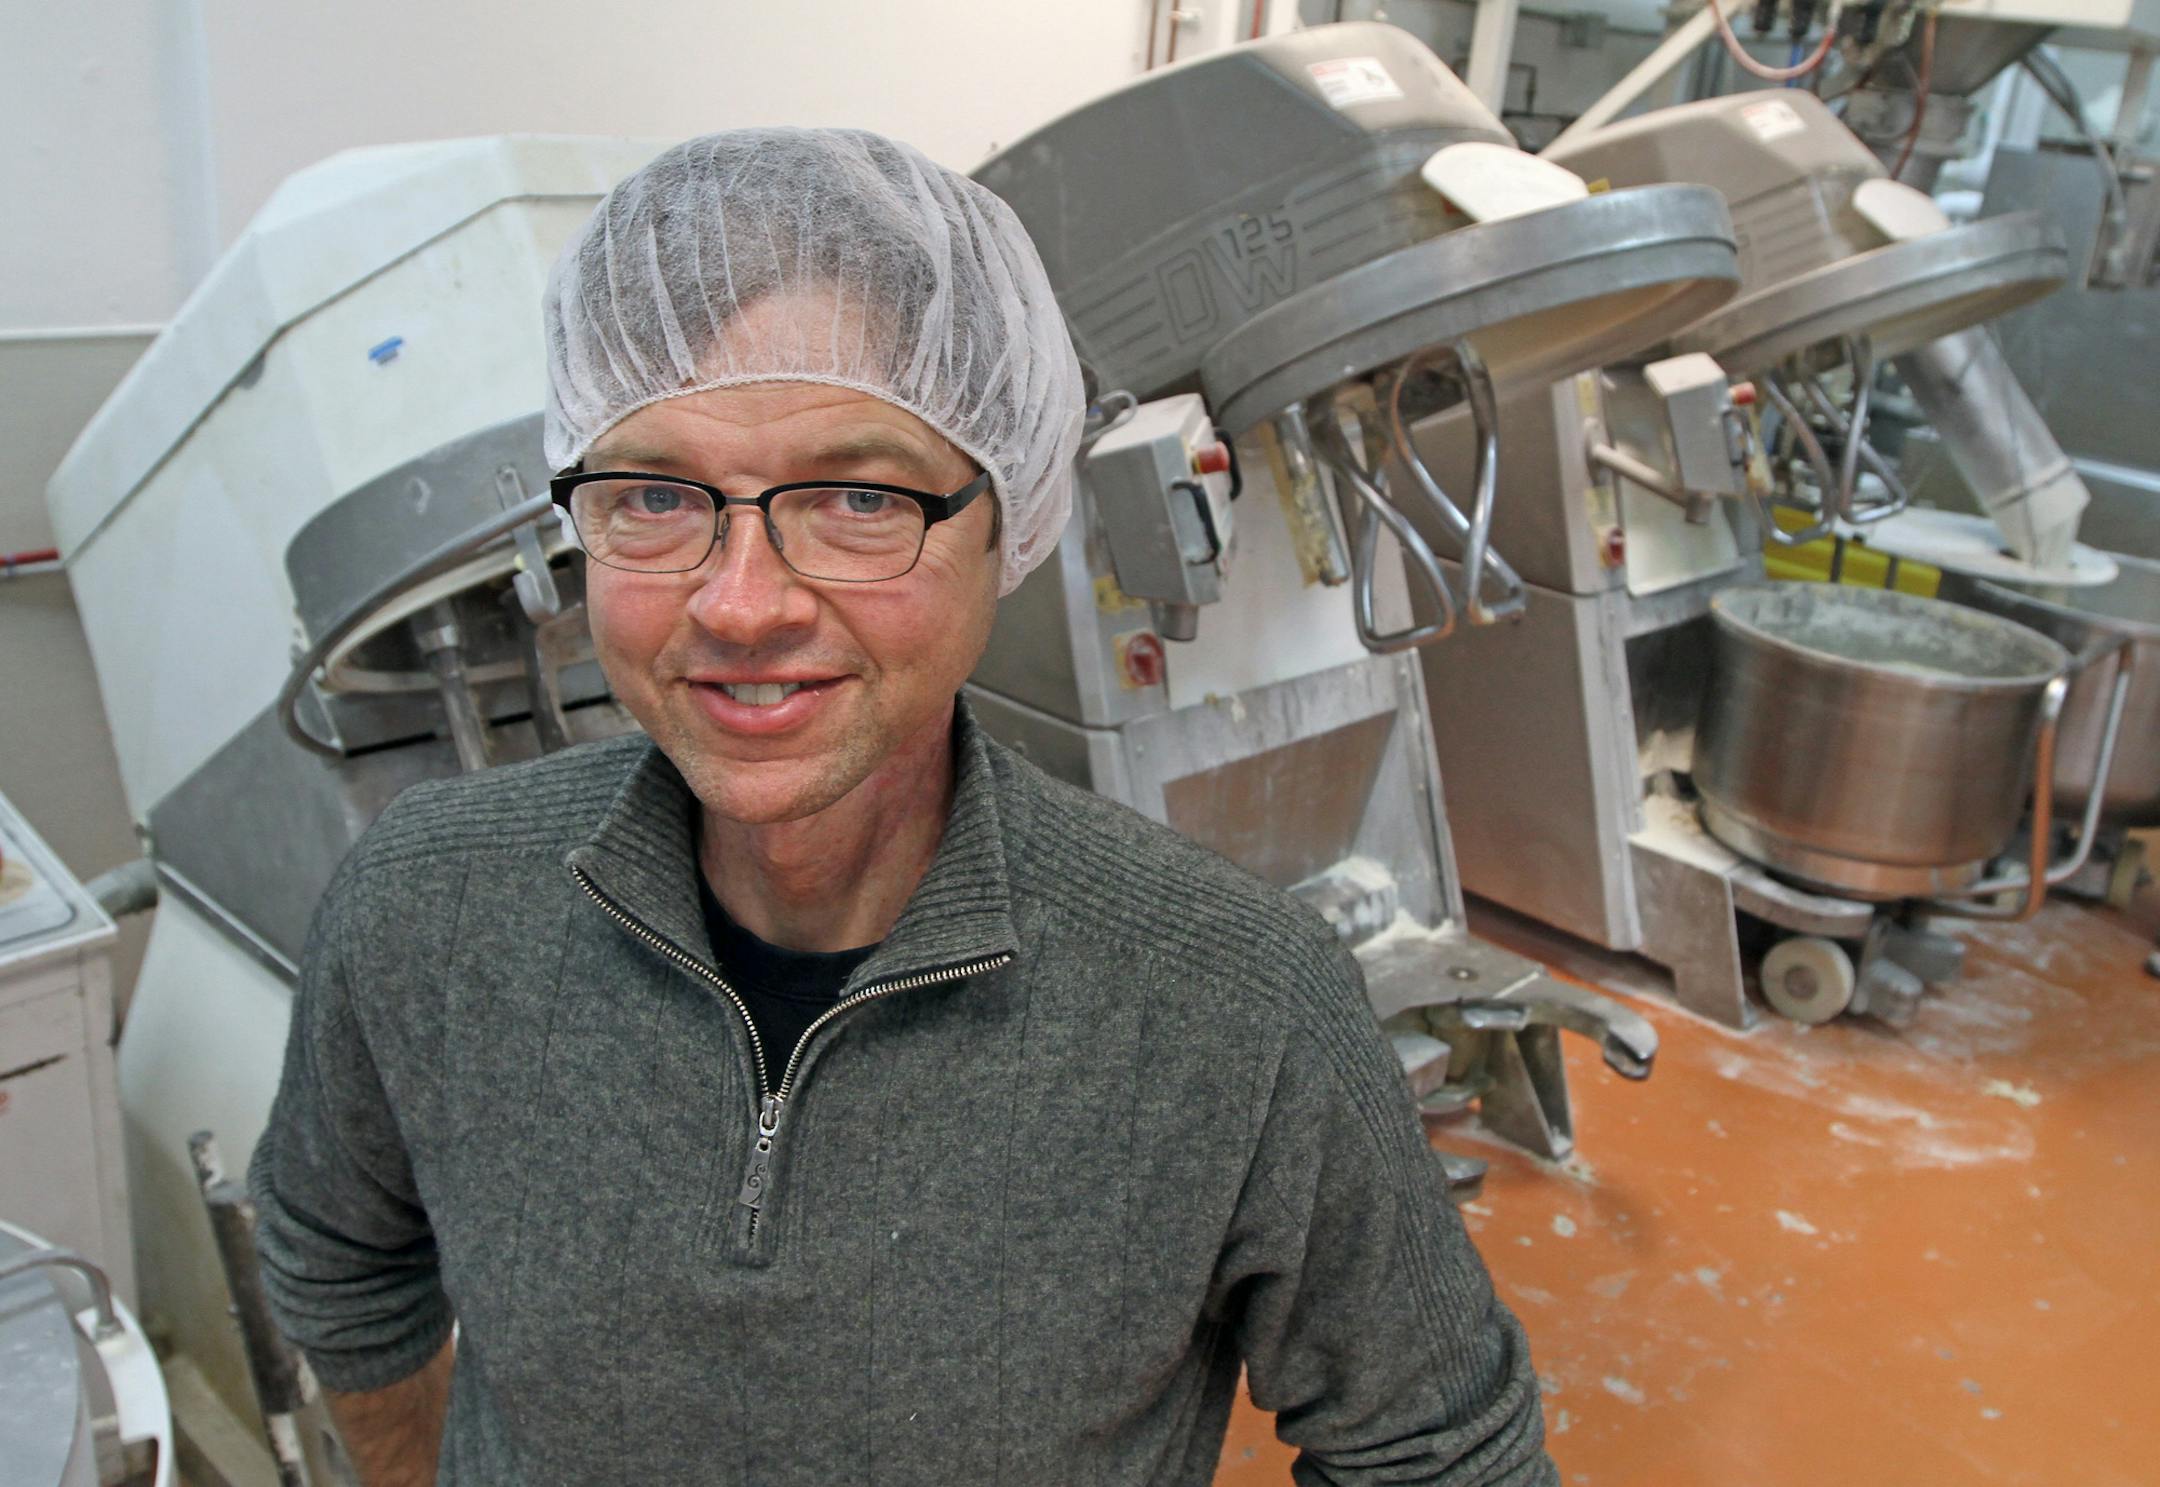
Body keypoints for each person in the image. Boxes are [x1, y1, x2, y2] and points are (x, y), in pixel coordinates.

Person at [250, 126, 1555, 1486]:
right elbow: (342, 1272)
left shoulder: (1230, 1009)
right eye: (652, 493)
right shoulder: (428, 908)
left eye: (859, 497)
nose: (743, 602)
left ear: (1014, 521)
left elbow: (1439, 1452)